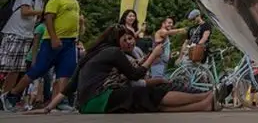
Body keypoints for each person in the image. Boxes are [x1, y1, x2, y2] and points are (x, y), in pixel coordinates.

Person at [26, 25, 219, 114]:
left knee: (149, 104)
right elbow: (135, 75)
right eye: (124, 38)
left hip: (87, 105)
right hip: (102, 98)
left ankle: (204, 104)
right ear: (116, 39)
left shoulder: (92, 54)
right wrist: (153, 56)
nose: (128, 41)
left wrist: (48, 108)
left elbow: (70, 87)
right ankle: (203, 97)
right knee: (151, 92)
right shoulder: (113, 52)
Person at [3, 0, 83, 110]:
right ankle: (12, 95)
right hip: (53, 41)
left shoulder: (75, 2)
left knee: (65, 72)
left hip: (70, 43)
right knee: (38, 69)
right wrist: (53, 37)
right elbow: (49, 19)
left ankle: (60, 100)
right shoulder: (55, 0)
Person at [0, 0, 54, 100]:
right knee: (4, 65)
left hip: (26, 35)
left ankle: (4, 97)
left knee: (16, 69)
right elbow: (25, 11)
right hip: (14, 32)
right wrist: (43, 12)